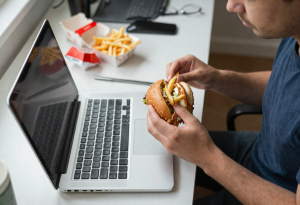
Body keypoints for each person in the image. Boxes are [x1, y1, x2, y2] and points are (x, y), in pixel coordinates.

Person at [147, 0, 300, 204]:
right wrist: (217, 78)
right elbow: (288, 87)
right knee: (149, 150)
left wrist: (207, 158)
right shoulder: (295, 30)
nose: (231, 5)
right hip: (262, 151)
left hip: (274, 191)